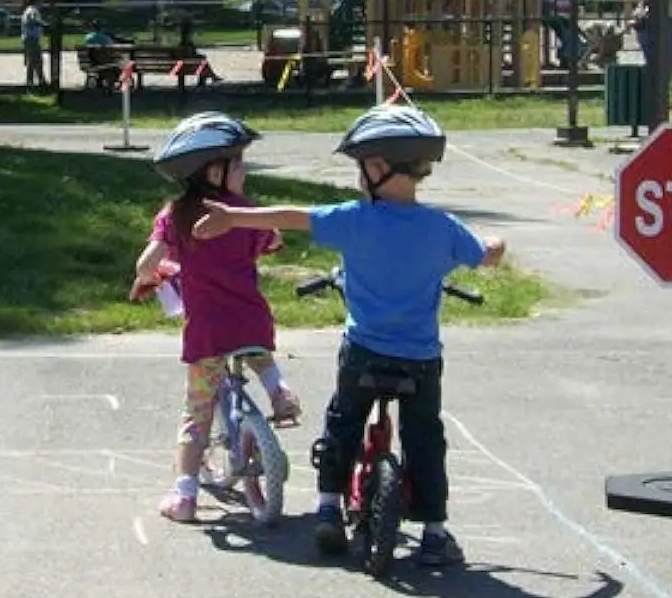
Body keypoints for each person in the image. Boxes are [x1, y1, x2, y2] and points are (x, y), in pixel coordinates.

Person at [193, 104, 506, 567]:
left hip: (364, 351)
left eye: (362, 167)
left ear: (379, 167)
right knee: (425, 436)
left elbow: (296, 216)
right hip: (420, 359)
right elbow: (487, 256)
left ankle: (326, 509)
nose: (360, 178)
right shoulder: (444, 229)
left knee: (344, 420)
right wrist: (497, 244)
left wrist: (235, 218)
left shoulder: (355, 219)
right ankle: (435, 532)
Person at [131, 111, 302, 524]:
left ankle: (186, 495)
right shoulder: (245, 214)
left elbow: (146, 263)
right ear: (214, 170)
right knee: (260, 356)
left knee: (197, 412)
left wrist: (150, 276)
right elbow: (273, 239)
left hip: (207, 332)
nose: (244, 171)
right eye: (239, 164)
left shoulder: (175, 217)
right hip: (250, 321)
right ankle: (279, 392)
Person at [21, 0, 46, 89]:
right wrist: (45, 25)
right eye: (40, 1)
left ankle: (33, 81)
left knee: (32, 61)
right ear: (36, 1)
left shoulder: (29, 10)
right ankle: (38, 81)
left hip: (29, 39)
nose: (41, 3)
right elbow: (33, 20)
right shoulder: (33, 10)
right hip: (32, 39)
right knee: (36, 60)